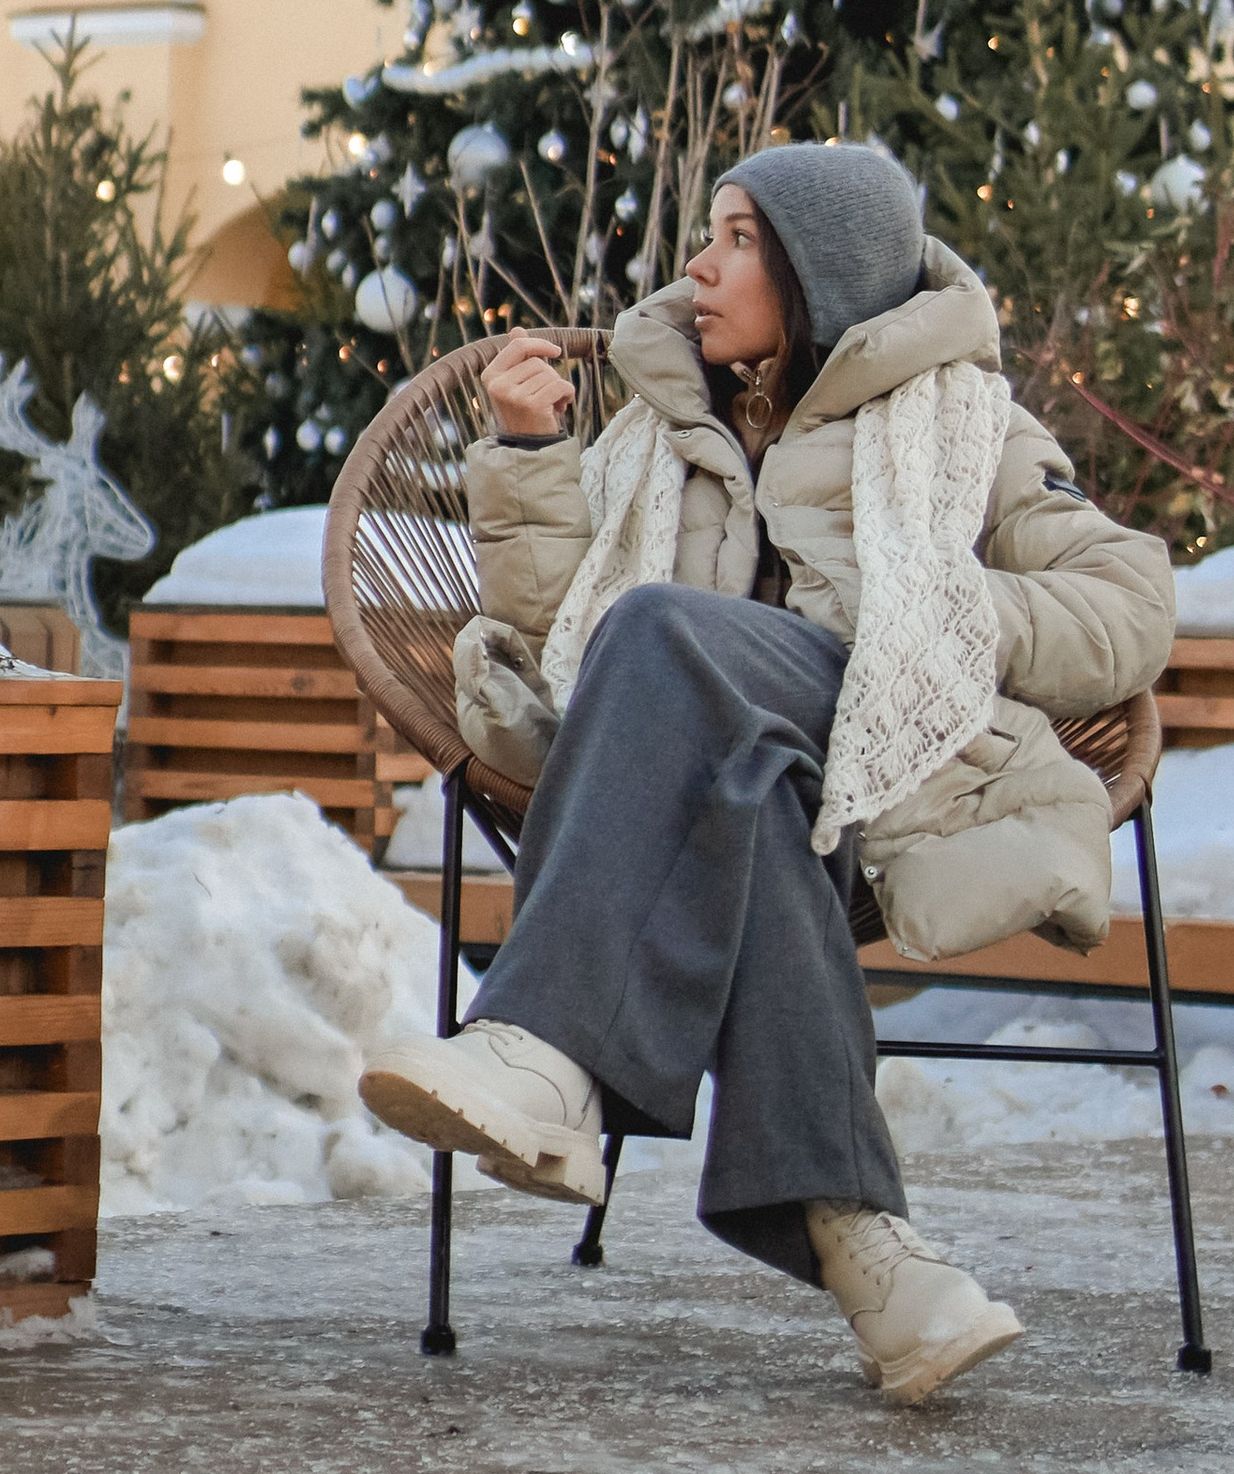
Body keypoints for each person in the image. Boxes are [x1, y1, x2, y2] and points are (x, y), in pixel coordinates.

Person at [359, 141, 1174, 1407]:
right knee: (738, 769)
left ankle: (545, 1046)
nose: (699, 264)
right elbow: (552, 624)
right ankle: (871, 1253)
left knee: (658, 630)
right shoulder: (657, 426)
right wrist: (528, 456)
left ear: (819, 275)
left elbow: (1127, 611)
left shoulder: (966, 424)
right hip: (719, 781)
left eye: (736, 240)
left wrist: (943, 615)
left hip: (896, 764)